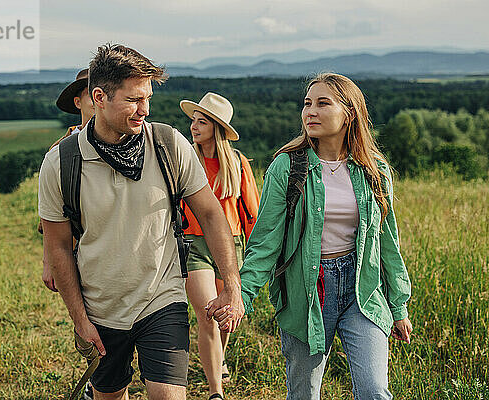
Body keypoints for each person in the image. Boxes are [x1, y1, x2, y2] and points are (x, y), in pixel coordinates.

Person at [38, 44, 244, 400]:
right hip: (100, 306)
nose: (144, 111)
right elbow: (57, 244)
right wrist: (79, 320)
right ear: (99, 97)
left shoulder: (168, 144)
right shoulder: (61, 161)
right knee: (109, 395)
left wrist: (232, 283)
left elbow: (211, 213)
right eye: (133, 100)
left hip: (161, 298)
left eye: (147, 98)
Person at [224, 73, 413, 399]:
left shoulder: (374, 170)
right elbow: (266, 241)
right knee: (304, 394)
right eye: (307, 103)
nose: (310, 111)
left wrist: (398, 306)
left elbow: (387, 242)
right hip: (307, 290)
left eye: (323, 103)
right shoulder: (287, 166)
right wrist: (242, 295)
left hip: (362, 291)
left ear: (349, 113)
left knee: (374, 391)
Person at [178, 93, 259, 400]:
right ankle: (216, 391)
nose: (194, 127)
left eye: (201, 122)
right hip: (194, 244)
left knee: (226, 316)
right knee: (207, 314)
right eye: (193, 121)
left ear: (217, 128)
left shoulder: (237, 164)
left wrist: (254, 256)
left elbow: (251, 212)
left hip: (231, 246)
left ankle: (217, 360)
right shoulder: (186, 160)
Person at [39, 67, 95, 292]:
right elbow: (48, 216)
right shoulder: (61, 150)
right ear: (78, 102)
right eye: (91, 94)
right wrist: (48, 262)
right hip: (75, 246)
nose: (98, 100)